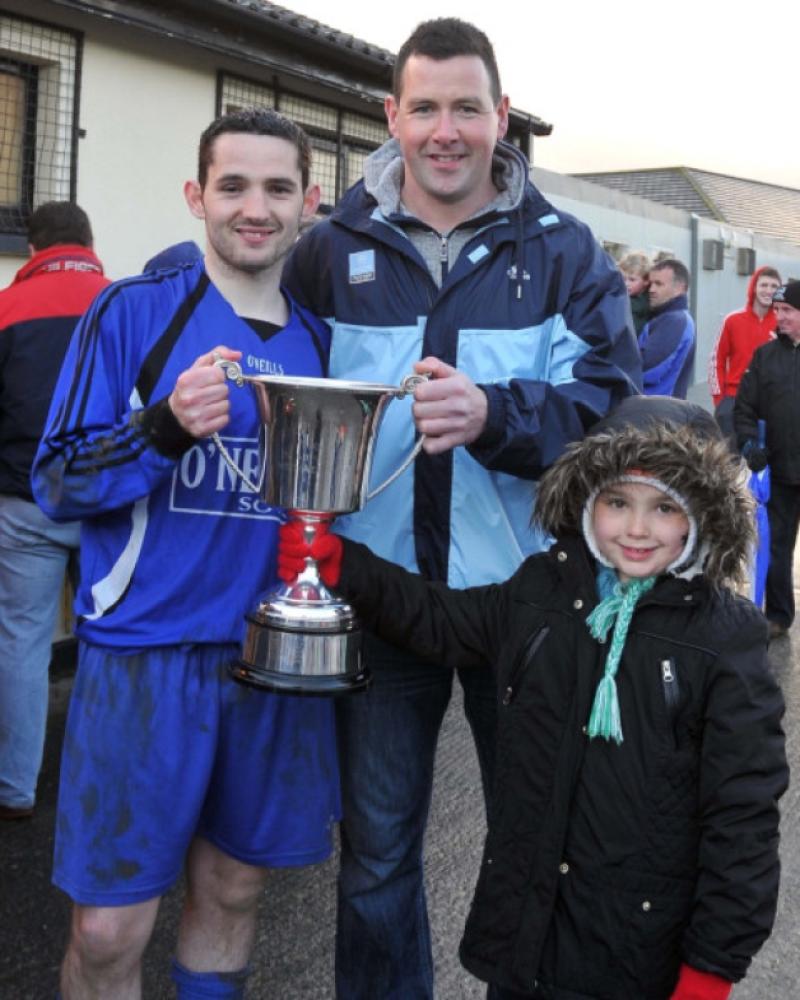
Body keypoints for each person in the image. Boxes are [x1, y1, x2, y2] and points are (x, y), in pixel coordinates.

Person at [283, 16, 641, 997]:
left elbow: (611, 410)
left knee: (538, 854)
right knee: (375, 864)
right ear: (391, 115)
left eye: (467, 108)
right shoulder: (327, 251)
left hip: (526, 599)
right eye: (426, 108)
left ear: (501, 115)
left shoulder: (565, 250)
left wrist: (495, 413)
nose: (446, 131)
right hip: (384, 597)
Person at [278, 393, 787, 1000]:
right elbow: (443, 619)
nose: (636, 528)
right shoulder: (543, 590)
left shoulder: (722, 637)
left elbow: (743, 816)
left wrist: (711, 968)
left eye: (664, 508)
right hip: (527, 944)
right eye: (618, 502)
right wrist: (345, 566)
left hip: (638, 954)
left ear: (701, 514)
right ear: (588, 501)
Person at [31, 109, 340, 1000]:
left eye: (278, 188)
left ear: (307, 204)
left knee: (234, 890)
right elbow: (55, 481)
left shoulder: (316, 344)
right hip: (144, 659)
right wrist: (163, 428)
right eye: (233, 185)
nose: (256, 206)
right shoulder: (132, 312)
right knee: (106, 928)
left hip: (267, 664)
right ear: (196, 195)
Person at [0, 201, 110, 822]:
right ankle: (102, 779)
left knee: (21, 641)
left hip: (24, 502)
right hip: (106, 504)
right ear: (88, 242)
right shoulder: (121, 303)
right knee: (109, 638)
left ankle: (14, 789)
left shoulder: (5, 308)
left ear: (32, 246)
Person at [735, 279, 800, 640]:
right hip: (781, 472)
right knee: (775, 545)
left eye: (788, 310)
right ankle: (776, 616)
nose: (780, 317)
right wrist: (748, 446)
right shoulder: (765, 357)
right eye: (778, 310)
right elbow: (744, 409)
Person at [708, 265, 781, 442]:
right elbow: (716, 359)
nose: (768, 291)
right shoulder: (733, 320)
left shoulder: (783, 323)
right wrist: (721, 401)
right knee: (730, 461)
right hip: (734, 400)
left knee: (765, 460)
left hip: (771, 404)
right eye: (764, 285)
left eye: (774, 286)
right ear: (754, 287)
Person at [638, 258, 695, 398]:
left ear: (680, 288)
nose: (651, 290)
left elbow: (648, 369)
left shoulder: (674, 321)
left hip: (655, 413)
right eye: (650, 284)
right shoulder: (665, 317)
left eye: (658, 284)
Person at [617, 249, 651, 335]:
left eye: (632, 280)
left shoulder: (650, 305)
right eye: (623, 278)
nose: (626, 284)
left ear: (646, 280)